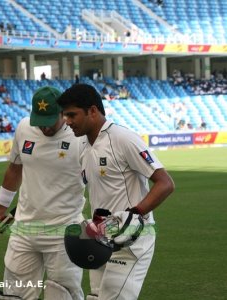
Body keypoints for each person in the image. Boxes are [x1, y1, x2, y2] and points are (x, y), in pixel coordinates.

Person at [57, 83, 175, 300]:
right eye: (65, 115)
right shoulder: (82, 145)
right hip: (100, 238)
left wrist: (135, 213)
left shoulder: (122, 138)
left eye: (72, 115)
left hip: (132, 239)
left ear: (92, 111)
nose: (67, 121)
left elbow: (165, 183)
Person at [0, 86, 85, 300]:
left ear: (63, 113)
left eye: (49, 121)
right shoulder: (24, 127)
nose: (44, 129)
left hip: (64, 231)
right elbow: (14, 168)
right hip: (24, 229)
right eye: (39, 122)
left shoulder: (79, 136)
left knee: (62, 295)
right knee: (14, 295)